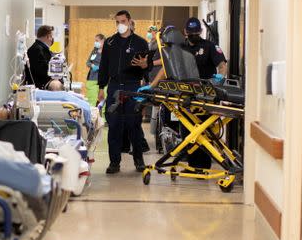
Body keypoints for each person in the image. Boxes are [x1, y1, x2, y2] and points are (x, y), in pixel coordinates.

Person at [146, 17, 227, 172]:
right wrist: (151, 86)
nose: (193, 36)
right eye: (190, 33)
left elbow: (222, 66)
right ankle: (191, 165)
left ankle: (202, 166)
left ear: (201, 32)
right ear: (185, 32)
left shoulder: (209, 46)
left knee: (202, 130)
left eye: (196, 32)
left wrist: (218, 81)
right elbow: (165, 69)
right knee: (187, 130)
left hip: (205, 95)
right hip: (186, 96)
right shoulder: (180, 48)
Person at [97, 10, 150, 174]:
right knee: (114, 125)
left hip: (133, 86)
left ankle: (139, 161)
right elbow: (104, 66)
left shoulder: (140, 42)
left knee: (134, 124)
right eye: (117, 22)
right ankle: (114, 162)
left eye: (123, 21)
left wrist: (144, 66)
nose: (120, 24)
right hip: (114, 87)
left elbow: (147, 68)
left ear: (129, 22)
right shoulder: (110, 42)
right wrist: (101, 88)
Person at [23, 25, 55, 89]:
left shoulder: (39, 48)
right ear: (48, 36)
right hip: (39, 86)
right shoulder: (37, 50)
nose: (52, 39)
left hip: (41, 85)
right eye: (51, 36)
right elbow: (43, 71)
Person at [85, 33, 105, 104]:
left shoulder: (107, 52)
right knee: (92, 100)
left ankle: (103, 115)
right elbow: (88, 62)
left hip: (103, 80)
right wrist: (92, 66)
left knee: (104, 101)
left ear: (103, 41)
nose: (95, 42)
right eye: (95, 41)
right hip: (92, 79)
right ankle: (92, 115)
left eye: (97, 40)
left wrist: (101, 67)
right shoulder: (95, 51)